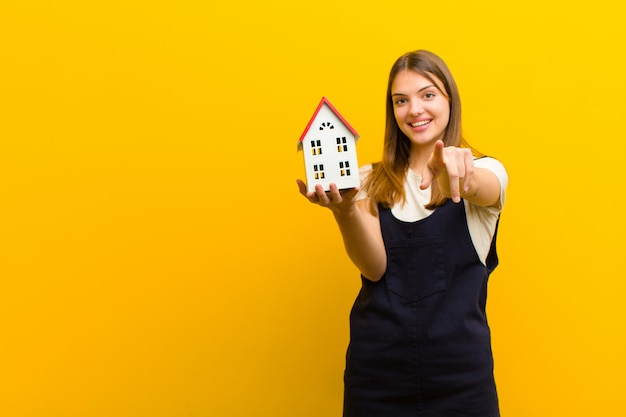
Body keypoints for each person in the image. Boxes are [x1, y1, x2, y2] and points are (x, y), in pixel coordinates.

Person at [297, 49, 508, 417]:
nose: (415, 110)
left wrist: (460, 174)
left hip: (461, 382)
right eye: (401, 100)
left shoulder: (485, 170)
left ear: (449, 100)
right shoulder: (365, 180)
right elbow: (375, 268)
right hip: (376, 378)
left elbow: (483, 187)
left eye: (428, 95)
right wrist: (345, 210)